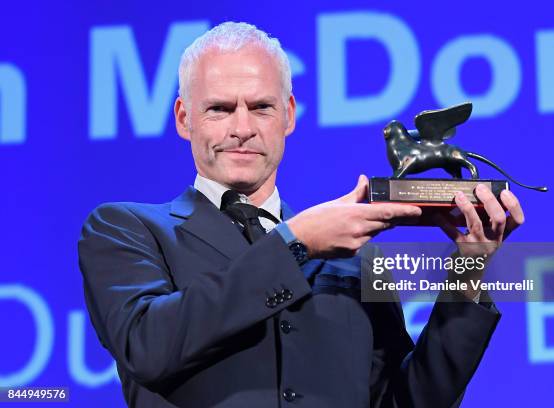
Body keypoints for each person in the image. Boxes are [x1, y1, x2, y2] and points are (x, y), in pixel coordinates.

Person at [78, 22, 524, 408]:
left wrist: (468, 272)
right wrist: (296, 243)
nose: (241, 128)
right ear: (183, 118)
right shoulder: (126, 229)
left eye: (260, 107)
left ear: (287, 115)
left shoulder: (356, 260)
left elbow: (403, 401)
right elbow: (147, 346)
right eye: (219, 108)